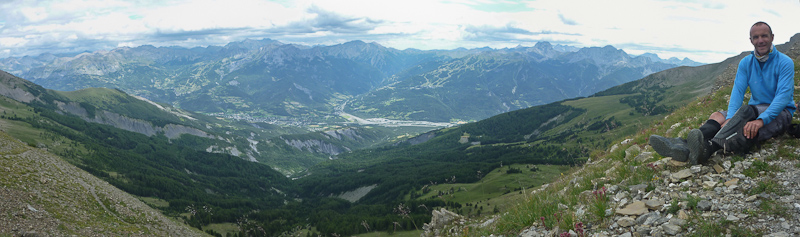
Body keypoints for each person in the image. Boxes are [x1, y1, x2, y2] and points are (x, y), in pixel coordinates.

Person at [650, 21, 795, 165]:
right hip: (753, 110)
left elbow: (782, 97)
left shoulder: (785, 62)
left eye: (764, 36)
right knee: (718, 116)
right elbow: (738, 91)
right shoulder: (746, 63)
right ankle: (685, 146)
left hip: (781, 112)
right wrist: (730, 118)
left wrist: (761, 120)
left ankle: (708, 149)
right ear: (751, 40)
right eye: (756, 37)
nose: (760, 40)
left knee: (745, 119)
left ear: (772, 37)